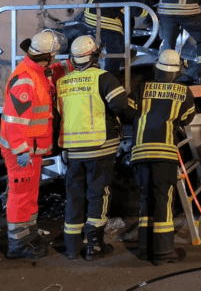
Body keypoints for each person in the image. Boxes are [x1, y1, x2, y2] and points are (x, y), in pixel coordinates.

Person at [55, 35, 132, 261]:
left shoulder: (63, 82)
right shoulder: (103, 77)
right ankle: (95, 246)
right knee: (98, 194)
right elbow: (120, 104)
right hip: (99, 147)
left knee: (74, 196)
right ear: (95, 55)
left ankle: (71, 247)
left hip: (72, 150)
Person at [0, 29, 68, 259]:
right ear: (47, 56)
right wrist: (21, 151)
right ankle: (18, 244)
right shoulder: (26, 80)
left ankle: (26, 234)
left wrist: (70, 64)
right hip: (22, 150)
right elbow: (13, 122)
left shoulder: (36, 72)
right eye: (55, 56)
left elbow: (51, 74)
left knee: (29, 193)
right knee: (21, 194)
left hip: (30, 149)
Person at [131, 50, 197, 265]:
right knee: (163, 198)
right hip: (164, 152)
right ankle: (163, 251)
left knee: (145, 198)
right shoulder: (183, 91)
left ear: (156, 68)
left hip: (140, 152)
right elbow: (187, 119)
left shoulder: (142, 88)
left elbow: (129, 110)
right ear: (177, 71)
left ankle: (144, 248)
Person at [83, 0, 155, 73]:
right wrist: (151, 12)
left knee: (128, 21)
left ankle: (123, 54)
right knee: (114, 45)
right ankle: (112, 76)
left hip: (96, 8)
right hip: (98, 13)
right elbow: (135, 10)